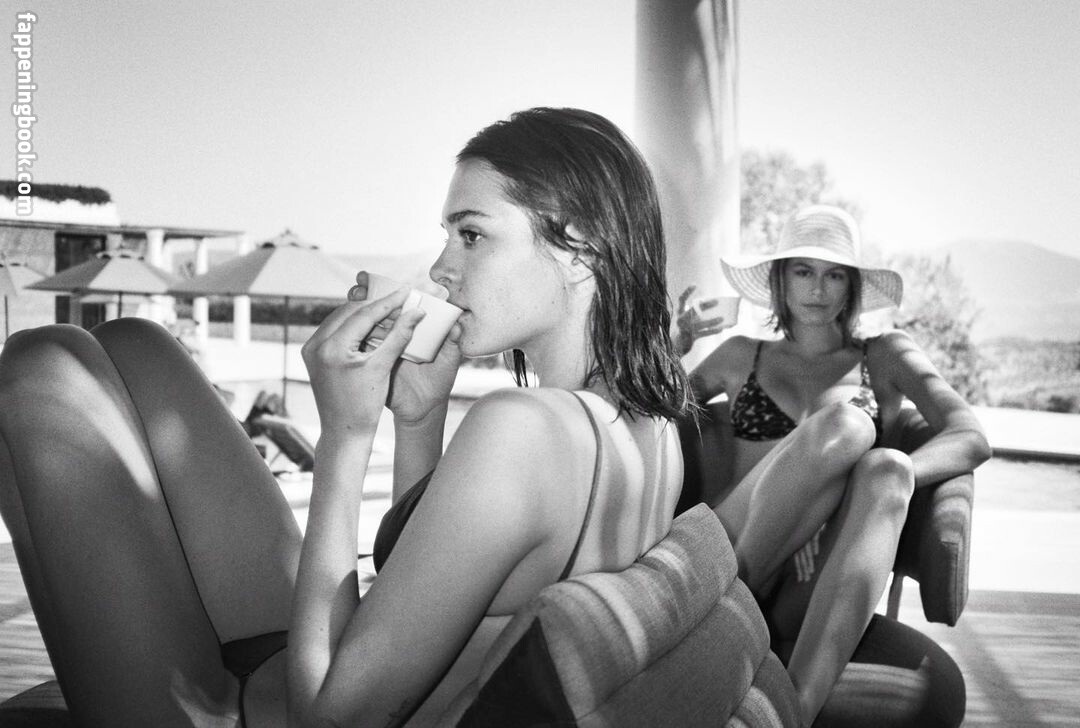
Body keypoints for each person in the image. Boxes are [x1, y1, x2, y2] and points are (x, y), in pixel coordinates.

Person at [286, 107, 691, 726]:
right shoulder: (652, 428)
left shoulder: (522, 430)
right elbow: (434, 594)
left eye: (471, 235)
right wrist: (420, 419)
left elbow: (326, 720)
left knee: (128, 359)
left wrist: (343, 437)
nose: (440, 269)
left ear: (582, 247)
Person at [675, 205, 991, 726]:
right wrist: (673, 346)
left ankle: (791, 711)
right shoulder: (740, 353)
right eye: (803, 271)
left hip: (816, 579)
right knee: (847, 425)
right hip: (735, 546)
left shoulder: (885, 355)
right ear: (780, 280)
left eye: (835, 275)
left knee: (888, 469)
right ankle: (720, 606)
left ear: (852, 287)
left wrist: (851, 489)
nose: (818, 289)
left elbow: (970, 437)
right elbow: (653, 417)